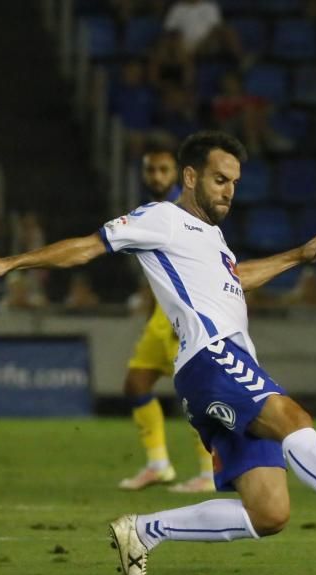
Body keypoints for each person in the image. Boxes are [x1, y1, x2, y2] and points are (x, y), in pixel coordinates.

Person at [0, 131, 316, 575]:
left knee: (269, 512)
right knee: (292, 417)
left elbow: (234, 280)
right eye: (220, 179)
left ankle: (142, 532)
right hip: (211, 355)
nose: (229, 191)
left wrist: (296, 257)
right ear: (190, 176)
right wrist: (10, 264)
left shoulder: (213, 237)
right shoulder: (160, 218)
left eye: (235, 182)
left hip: (213, 368)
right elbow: (88, 245)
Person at [117, 145, 218, 493]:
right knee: (136, 384)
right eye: (150, 171)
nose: (156, 177)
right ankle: (158, 465)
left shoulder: (187, 212)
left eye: (163, 170)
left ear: (177, 174)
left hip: (183, 316)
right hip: (160, 316)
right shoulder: (152, 212)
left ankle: (209, 471)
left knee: (193, 394)